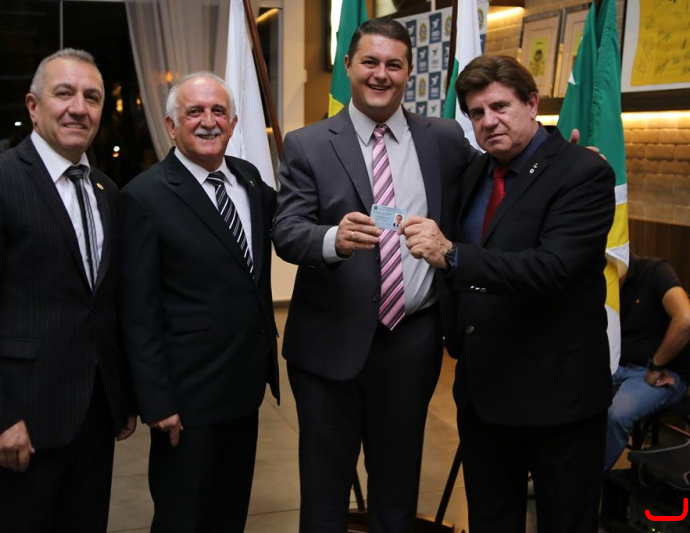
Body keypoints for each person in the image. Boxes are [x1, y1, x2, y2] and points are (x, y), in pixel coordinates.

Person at [272, 18, 476, 532]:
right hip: (328, 343)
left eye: (393, 64)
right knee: (324, 492)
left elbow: (500, 171)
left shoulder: (445, 139)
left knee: (398, 486)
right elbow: (287, 231)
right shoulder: (308, 143)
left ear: (408, 72)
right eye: (369, 62)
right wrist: (331, 240)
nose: (380, 74)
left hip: (412, 341)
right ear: (348, 66)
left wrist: (560, 154)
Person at [400, 55, 615, 533]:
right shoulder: (476, 172)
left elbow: (552, 268)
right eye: (476, 113)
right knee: (491, 520)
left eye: (500, 107)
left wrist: (452, 255)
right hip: (484, 393)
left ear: (532, 103)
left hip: (559, 396)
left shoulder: (582, 172)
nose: (488, 121)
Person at [0, 49, 136, 532]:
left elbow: (100, 305)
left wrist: (122, 396)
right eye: (64, 93)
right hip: (20, 420)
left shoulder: (107, 192)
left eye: (91, 97)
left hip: (93, 418)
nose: (79, 108)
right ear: (32, 105)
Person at [118, 72, 279, 533]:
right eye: (194, 112)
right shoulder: (143, 197)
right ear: (171, 126)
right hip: (186, 398)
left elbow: (294, 223)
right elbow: (137, 313)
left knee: (229, 514)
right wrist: (156, 400)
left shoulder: (249, 179)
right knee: (182, 518)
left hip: (244, 387)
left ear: (233, 123)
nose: (209, 121)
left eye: (218, 111)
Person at [605, 255, 690, 470]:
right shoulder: (602, 283)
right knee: (572, 400)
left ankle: (587, 481)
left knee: (617, 414)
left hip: (660, 374)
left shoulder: (654, 271)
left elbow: (686, 319)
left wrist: (656, 364)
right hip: (617, 365)